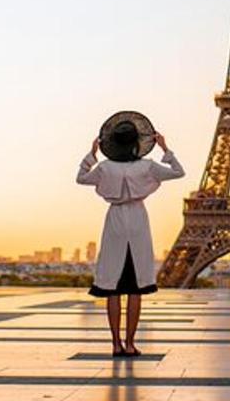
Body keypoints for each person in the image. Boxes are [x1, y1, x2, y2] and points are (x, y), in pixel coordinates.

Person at [76, 121, 185, 357]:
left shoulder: (105, 168)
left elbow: (81, 178)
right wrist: (165, 148)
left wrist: (92, 154)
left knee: (112, 289)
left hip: (114, 221)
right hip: (137, 220)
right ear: (138, 143)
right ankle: (131, 343)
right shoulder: (147, 166)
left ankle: (115, 344)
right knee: (135, 289)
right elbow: (178, 172)